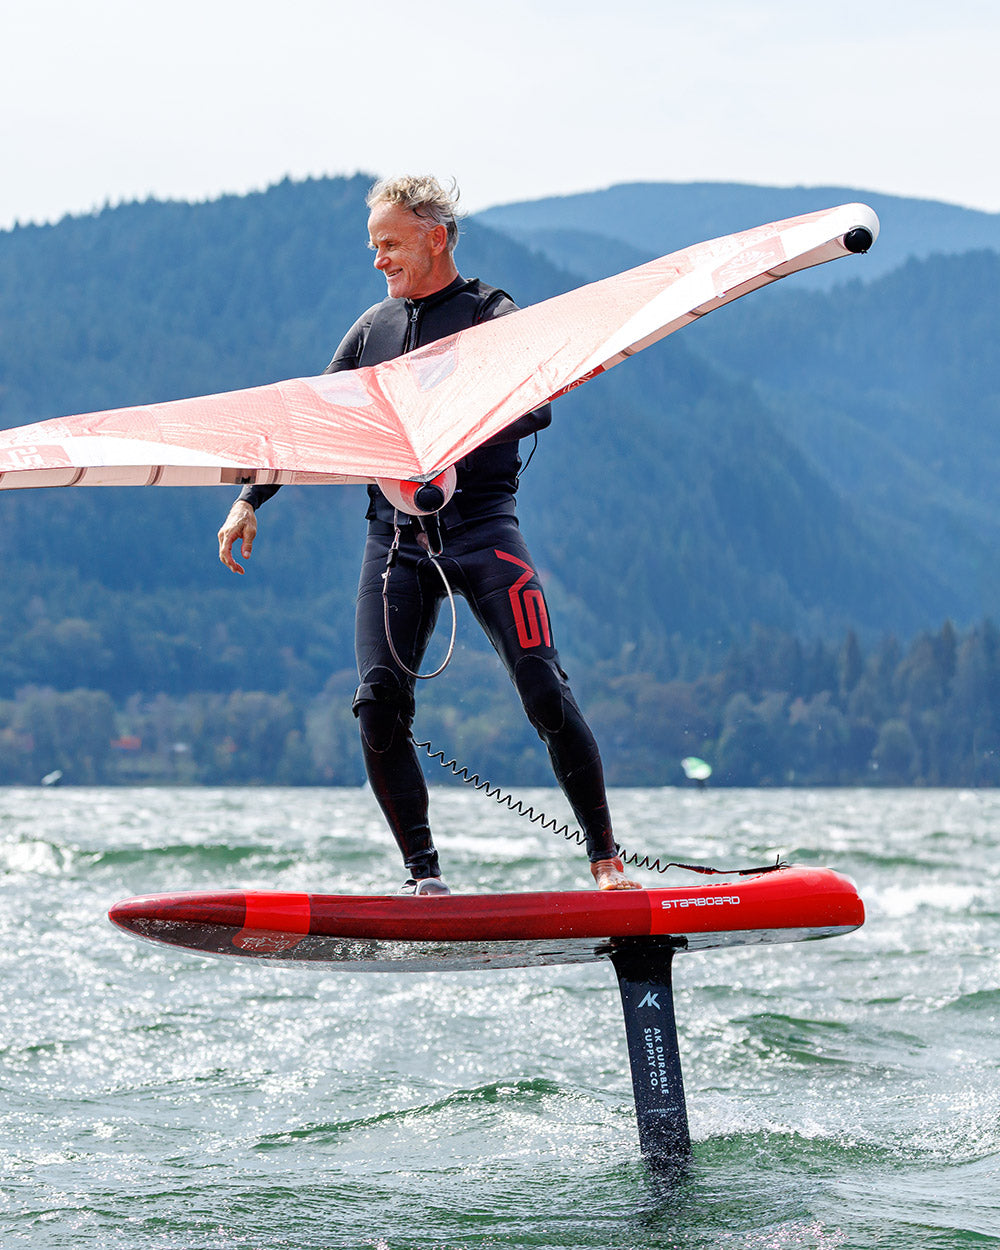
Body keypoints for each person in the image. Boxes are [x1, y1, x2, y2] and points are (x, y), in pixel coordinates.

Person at [218, 175, 640, 896]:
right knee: (377, 700)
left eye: (390, 243)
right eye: (373, 245)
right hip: (396, 543)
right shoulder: (373, 329)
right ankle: (425, 879)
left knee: (542, 687)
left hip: (482, 530)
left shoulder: (490, 313)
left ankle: (606, 863)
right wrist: (250, 498)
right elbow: (316, 421)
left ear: (435, 237)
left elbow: (537, 406)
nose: (379, 259)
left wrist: (456, 409)